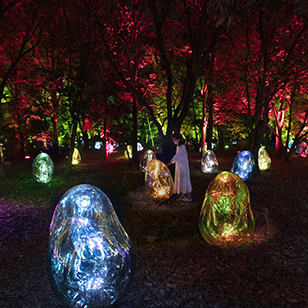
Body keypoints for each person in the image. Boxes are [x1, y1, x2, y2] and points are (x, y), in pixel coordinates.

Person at [167, 133, 192, 202]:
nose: (173, 141)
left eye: (174, 139)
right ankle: (183, 196)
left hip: (183, 167)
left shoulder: (182, 147)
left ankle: (189, 197)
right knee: (181, 180)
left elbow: (176, 157)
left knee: (184, 181)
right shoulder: (178, 146)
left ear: (178, 139)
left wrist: (169, 163)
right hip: (180, 166)